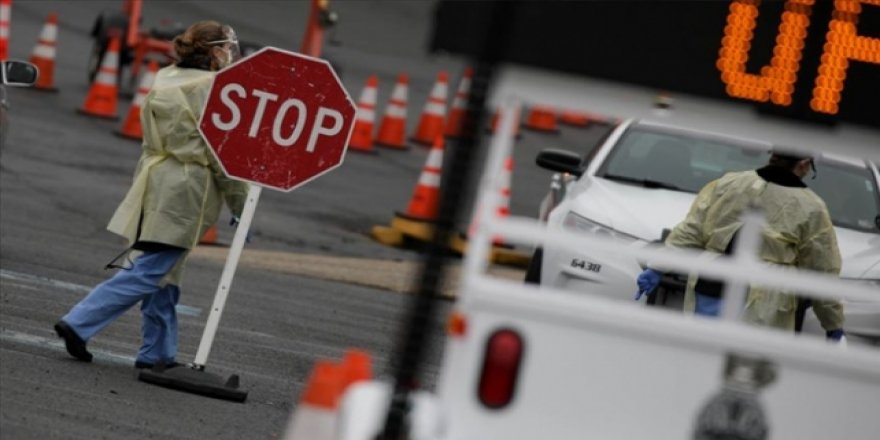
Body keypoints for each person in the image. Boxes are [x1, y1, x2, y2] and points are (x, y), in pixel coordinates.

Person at [54, 21, 250, 368]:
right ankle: (80, 322)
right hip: (188, 186)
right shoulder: (212, 88)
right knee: (152, 267)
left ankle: (156, 353)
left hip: (156, 175)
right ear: (215, 51)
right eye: (227, 47)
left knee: (164, 273)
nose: (231, 54)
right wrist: (242, 201)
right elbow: (223, 153)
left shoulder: (169, 76)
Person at [635, 149, 846, 341]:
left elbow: (692, 230)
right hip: (765, 301)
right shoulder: (811, 207)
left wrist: (657, 266)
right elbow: (822, 269)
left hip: (712, 284)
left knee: (702, 354)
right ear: (804, 164)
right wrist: (833, 324)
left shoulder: (729, 183)